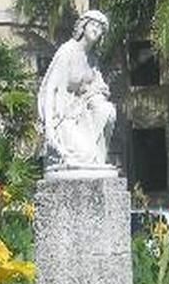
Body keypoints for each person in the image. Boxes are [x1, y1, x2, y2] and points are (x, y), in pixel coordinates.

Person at [37, 9, 117, 170]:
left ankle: (99, 159)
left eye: (100, 28)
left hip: (81, 114)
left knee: (108, 110)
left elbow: (97, 89)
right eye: (93, 25)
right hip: (62, 115)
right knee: (84, 154)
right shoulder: (67, 51)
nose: (96, 30)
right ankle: (87, 156)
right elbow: (50, 89)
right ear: (83, 27)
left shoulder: (92, 59)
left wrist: (98, 96)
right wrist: (49, 129)